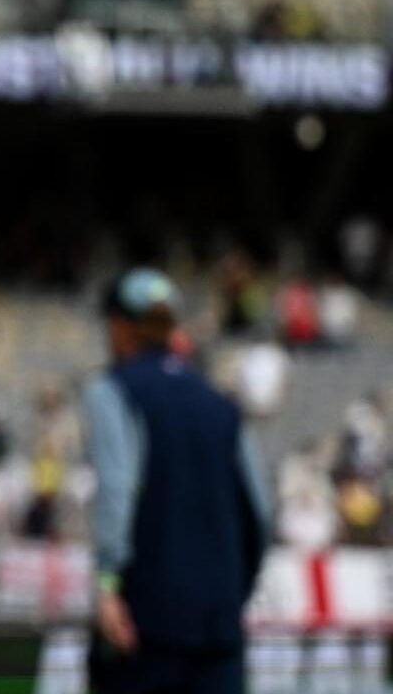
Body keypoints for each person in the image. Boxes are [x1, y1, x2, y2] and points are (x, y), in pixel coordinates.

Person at [81, 269, 268, 694]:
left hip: (144, 624)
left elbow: (117, 489)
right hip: (218, 626)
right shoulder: (222, 404)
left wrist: (108, 584)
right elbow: (260, 510)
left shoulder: (113, 390)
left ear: (118, 326)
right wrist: (233, 589)